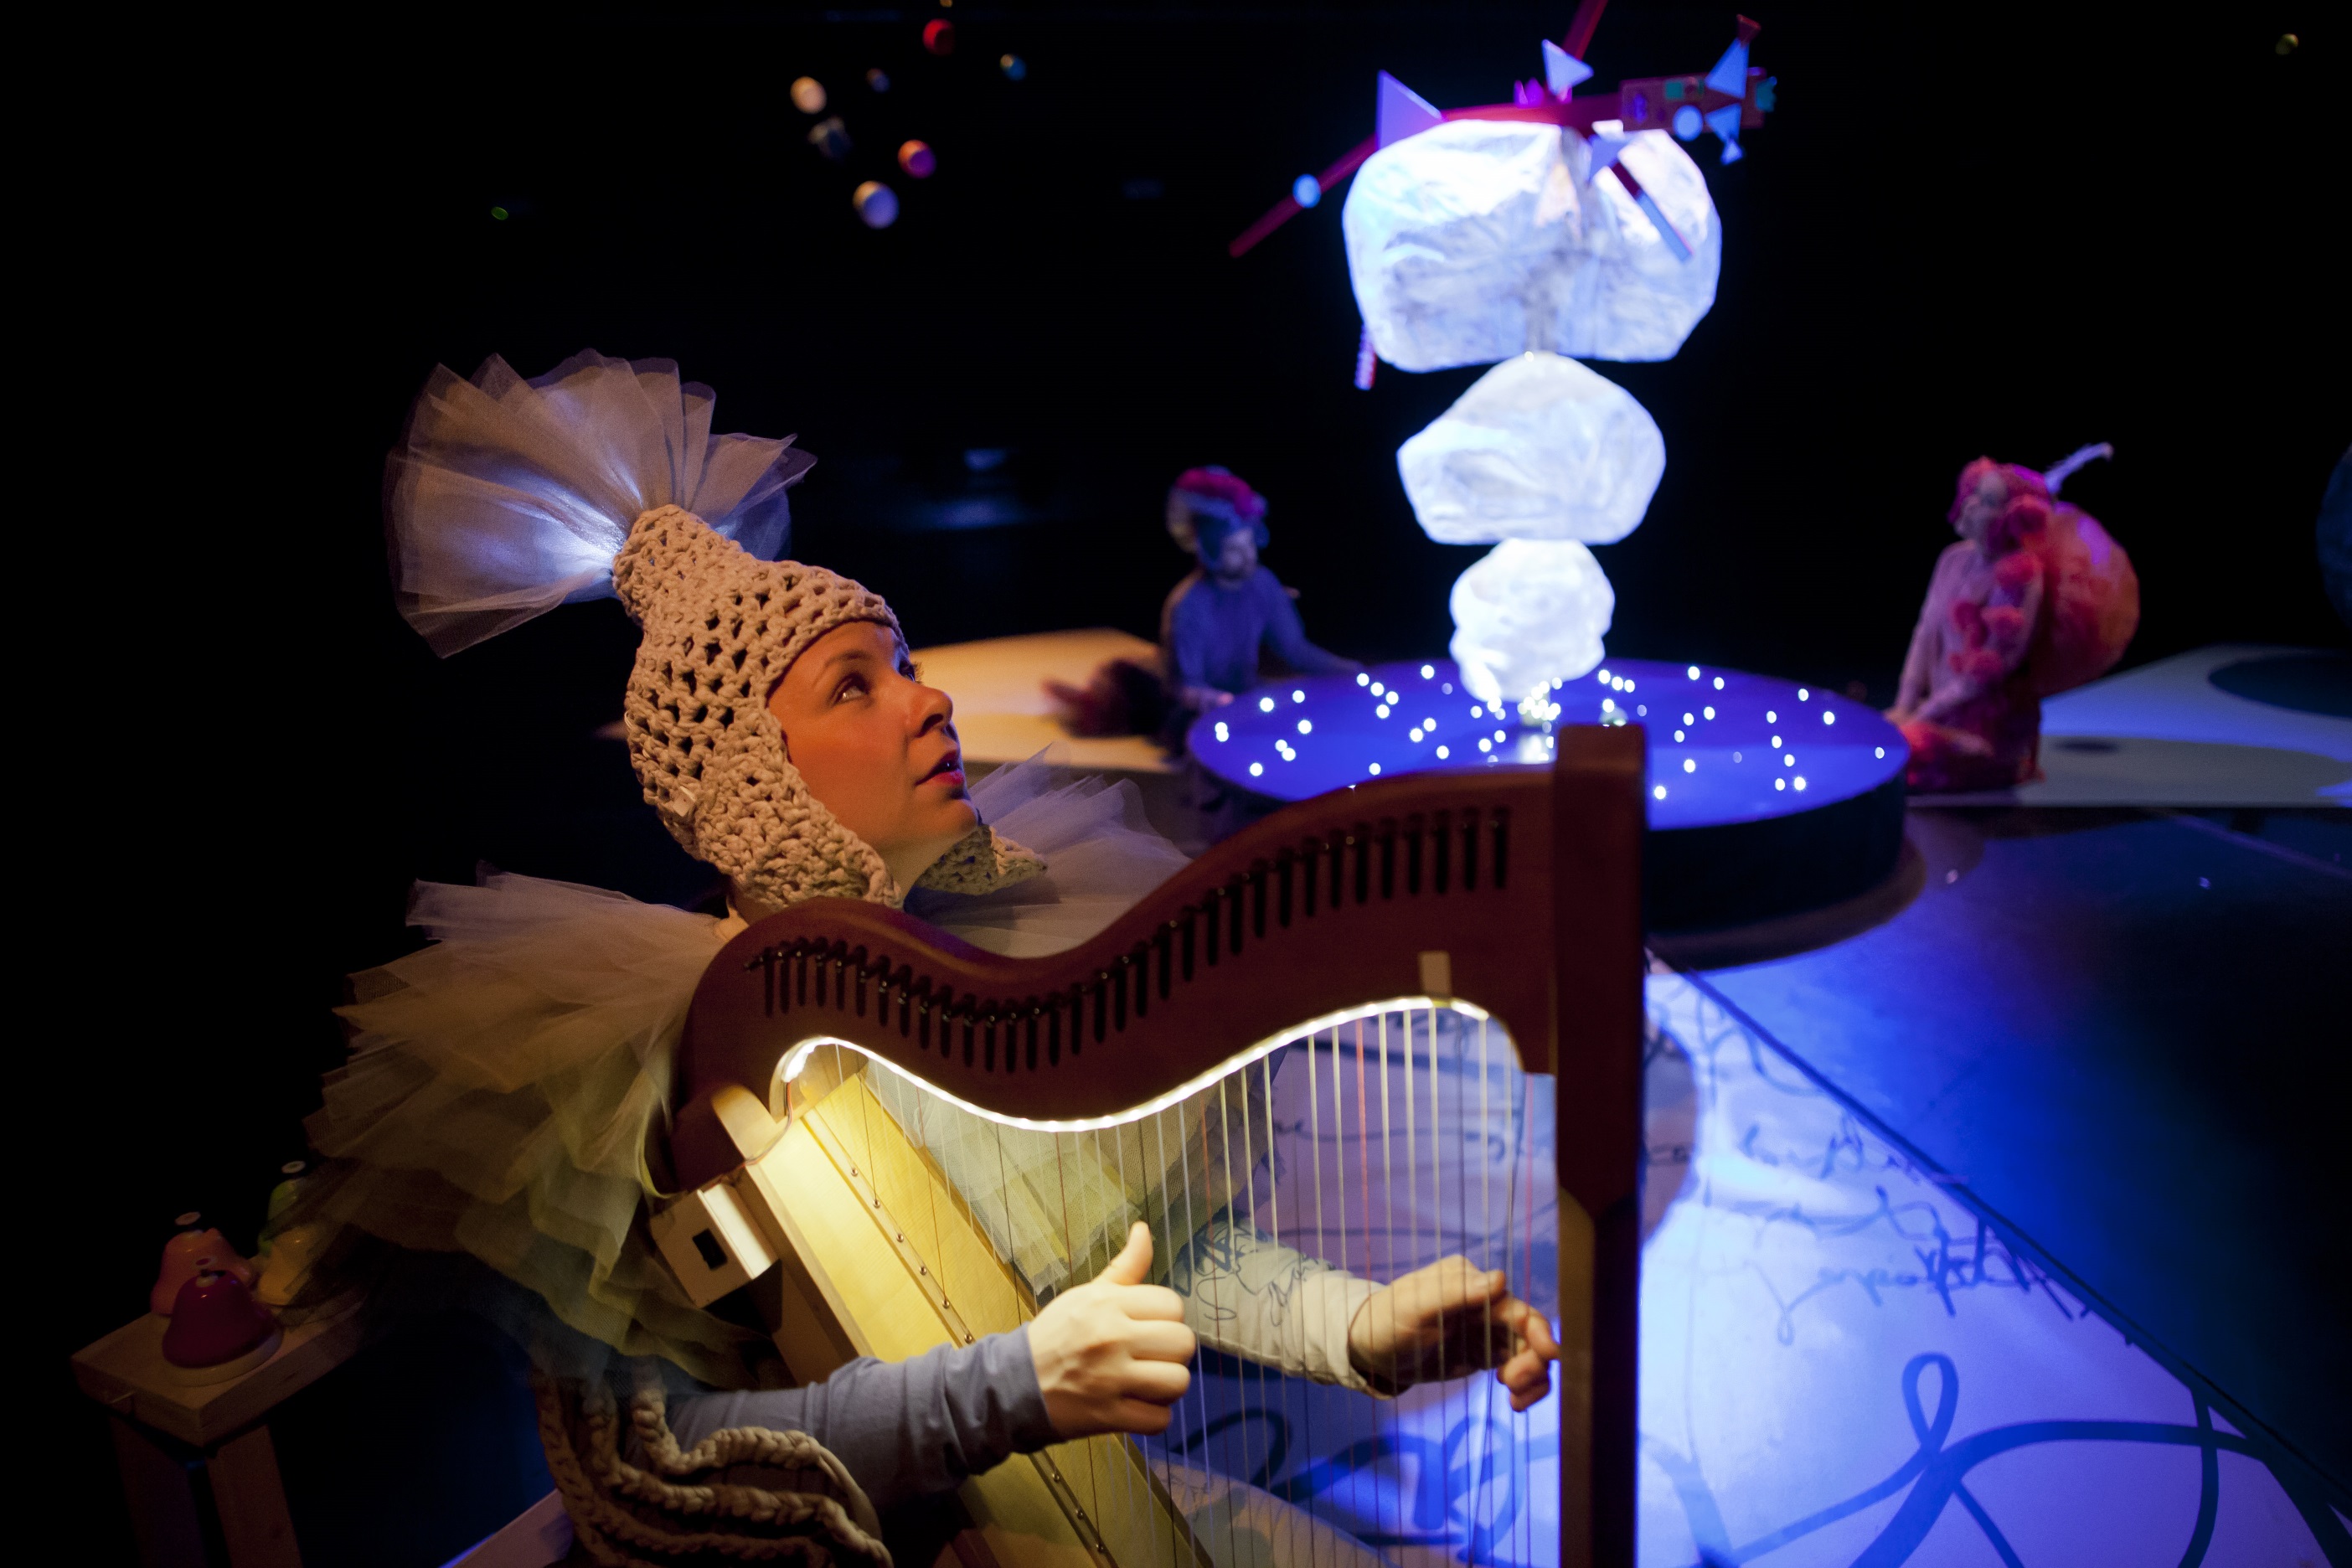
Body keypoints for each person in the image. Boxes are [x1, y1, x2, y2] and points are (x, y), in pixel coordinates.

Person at [293, 352, 1558, 1564]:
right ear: (748, 776)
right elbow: (651, 1466)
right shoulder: (636, 1063)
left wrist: (1359, 1328)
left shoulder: (975, 987)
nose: (930, 699)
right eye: (854, 686)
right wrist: (1018, 1387)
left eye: (903, 665)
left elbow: (1147, 1256)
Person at [1889, 446, 2136, 792]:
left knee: (1900, 759)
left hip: (1986, 726)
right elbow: (1925, 632)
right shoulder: (1953, 559)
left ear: (2015, 516)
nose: (1971, 504)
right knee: (1881, 745)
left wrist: (1920, 716)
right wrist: (1905, 704)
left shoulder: (2020, 578)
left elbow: (1985, 675)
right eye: (1974, 493)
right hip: (1938, 712)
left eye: (1987, 501)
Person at [1160, 466, 1359, 716]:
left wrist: (1352, 671)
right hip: (1198, 717)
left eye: (1250, 544)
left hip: (1247, 697)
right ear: (1208, 552)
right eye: (1235, 550)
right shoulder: (1188, 605)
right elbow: (1186, 688)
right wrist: (1221, 702)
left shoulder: (1263, 583)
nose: (1248, 557)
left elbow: (1296, 651)